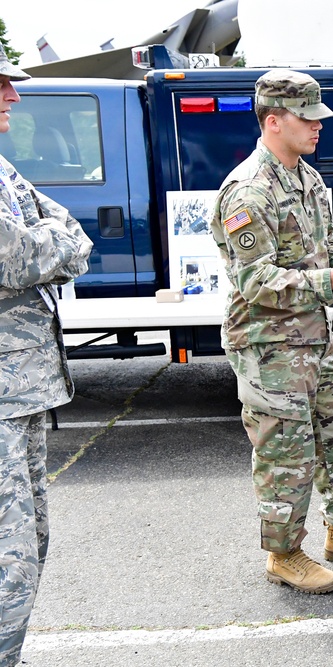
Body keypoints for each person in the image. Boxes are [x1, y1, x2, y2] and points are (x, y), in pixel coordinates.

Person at [210, 69, 333, 596]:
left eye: (318, 116)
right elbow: (255, 281)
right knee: (285, 453)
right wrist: (330, 280)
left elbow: (322, 249)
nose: (318, 127)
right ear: (273, 121)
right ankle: (284, 555)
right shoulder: (247, 192)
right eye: (307, 117)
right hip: (269, 345)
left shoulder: (307, 179)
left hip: (314, 335)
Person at [0, 46, 93, 664]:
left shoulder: (6, 172)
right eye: (1, 86)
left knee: (29, 538)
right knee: (9, 552)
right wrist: (50, 240)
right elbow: (14, 260)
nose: (13, 96)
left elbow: (70, 233)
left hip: (21, 386)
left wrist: (48, 240)